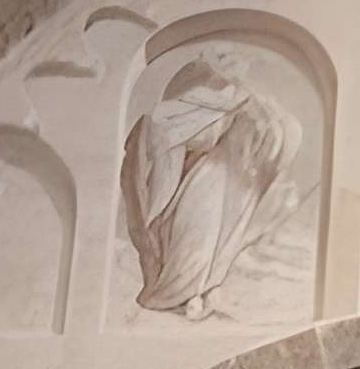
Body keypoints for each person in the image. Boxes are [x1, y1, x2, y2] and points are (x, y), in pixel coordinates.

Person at [121, 50, 299, 319]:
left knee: (218, 239)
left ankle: (200, 291)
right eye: (230, 64)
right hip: (204, 179)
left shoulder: (251, 104)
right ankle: (174, 291)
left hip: (226, 179)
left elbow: (271, 135)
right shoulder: (209, 102)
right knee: (196, 234)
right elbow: (186, 135)